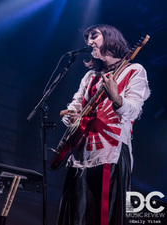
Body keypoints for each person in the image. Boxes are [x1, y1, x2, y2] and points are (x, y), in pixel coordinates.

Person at [56, 24, 150, 225]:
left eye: (94, 36)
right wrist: (69, 117)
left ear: (110, 38)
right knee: (75, 217)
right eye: (87, 38)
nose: (89, 41)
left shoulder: (134, 70)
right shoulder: (90, 77)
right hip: (80, 154)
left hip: (111, 152)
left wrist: (116, 98)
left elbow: (134, 110)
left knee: (102, 217)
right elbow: (73, 106)